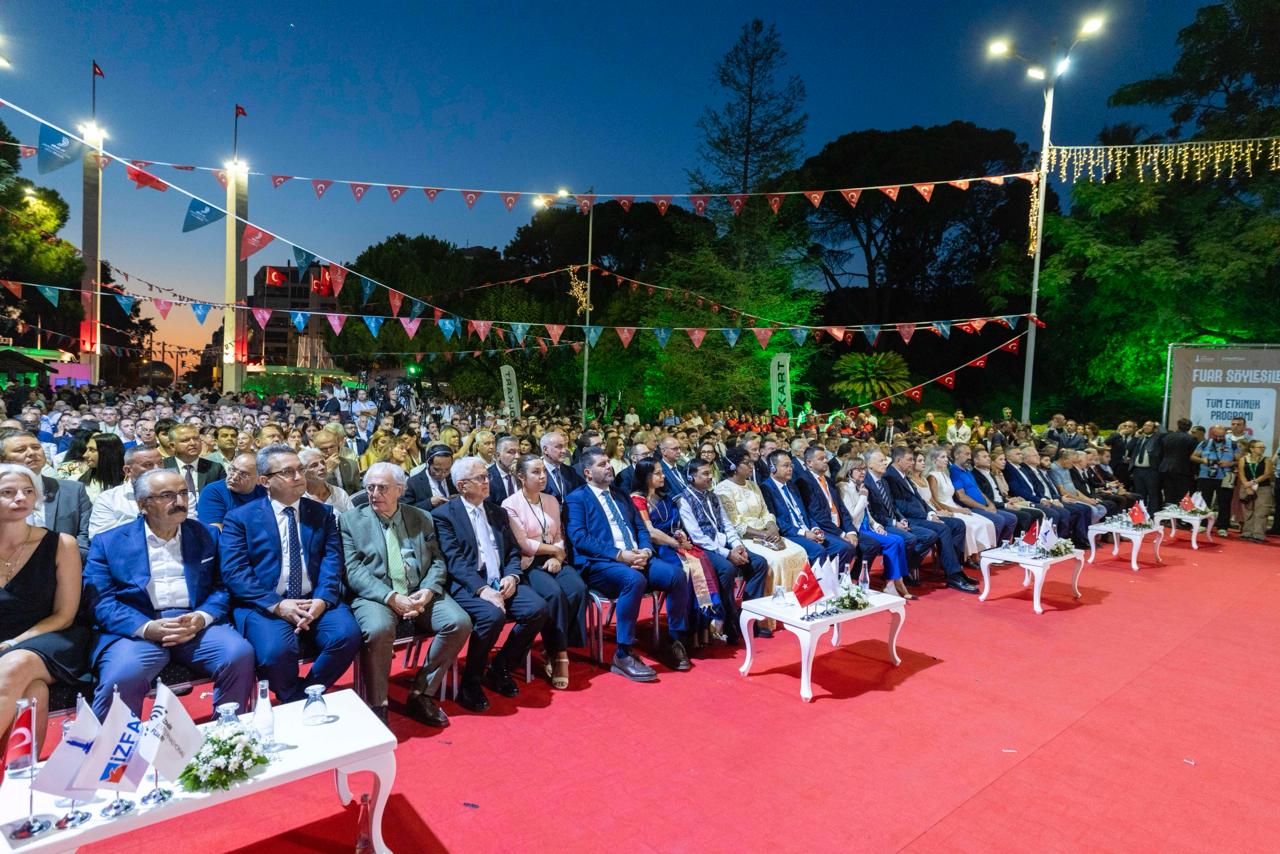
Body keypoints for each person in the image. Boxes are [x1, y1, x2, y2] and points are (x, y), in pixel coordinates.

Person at [82, 469, 256, 719]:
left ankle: (229, 729)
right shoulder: (109, 542)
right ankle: (113, 742)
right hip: (137, 626)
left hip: (194, 623)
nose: (179, 501)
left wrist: (202, 617)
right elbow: (100, 602)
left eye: (183, 493)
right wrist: (146, 628)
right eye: (167, 495)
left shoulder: (207, 534)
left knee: (238, 654)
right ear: (142, 504)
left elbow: (223, 586)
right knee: (122, 676)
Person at [220, 444, 361, 703]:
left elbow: (332, 561)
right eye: (287, 472)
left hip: (314, 598)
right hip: (266, 603)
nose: (298, 477)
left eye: (300, 470)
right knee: (274, 653)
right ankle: (295, 698)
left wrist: (322, 599)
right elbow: (235, 573)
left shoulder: (322, 513)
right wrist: (278, 605)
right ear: (265, 481)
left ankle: (305, 694)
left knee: (347, 636)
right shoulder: (240, 518)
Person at [340, 463, 470, 726]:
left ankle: (422, 693)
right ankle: (378, 703)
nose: (374, 494)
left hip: (418, 590)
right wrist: (391, 598)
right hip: (376, 595)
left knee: (458, 622)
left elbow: (437, 560)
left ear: (400, 490)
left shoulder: (421, 517)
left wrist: (428, 590)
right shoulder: (350, 521)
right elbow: (352, 570)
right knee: (377, 629)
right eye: (370, 488)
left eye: (382, 488)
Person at [433, 456, 549, 711]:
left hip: (501, 578)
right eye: (480, 478)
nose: (487, 482)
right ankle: (470, 682)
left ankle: (500, 667)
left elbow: (512, 551)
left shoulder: (497, 511)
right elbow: (454, 562)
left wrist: (512, 576)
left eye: (487, 476)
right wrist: (482, 589)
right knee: (491, 616)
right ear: (462, 486)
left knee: (537, 609)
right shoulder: (444, 516)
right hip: (469, 583)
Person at [566, 447, 691, 681]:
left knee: (676, 575)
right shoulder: (577, 498)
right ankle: (623, 653)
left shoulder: (621, 495)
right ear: (588, 472)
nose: (609, 467)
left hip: (636, 555)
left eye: (608, 462)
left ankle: (674, 639)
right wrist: (620, 555)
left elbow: (641, 528)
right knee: (633, 580)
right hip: (601, 563)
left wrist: (645, 550)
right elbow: (579, 538)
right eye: (602, 464)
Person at [0, 464, 88, 740]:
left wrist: (13, 643)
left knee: (16, 664)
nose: (21, 498)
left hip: (48, 638)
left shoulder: (62, 544)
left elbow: (64, 615)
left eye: (28, 491)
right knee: (33, 691)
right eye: (8, 492)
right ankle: (23, 766)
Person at [502, 454, 587, 689]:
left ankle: (558, 646)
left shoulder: (551, 500)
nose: (542, 476)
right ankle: (559, 653)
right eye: (536, 472)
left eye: (543, 472)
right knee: (554, 594)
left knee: (578, 589)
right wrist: (555, 552)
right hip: (529, 562)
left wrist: (557, 556)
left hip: (553, 557)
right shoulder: (510, 504)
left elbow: (559, 534)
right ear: (521, 477)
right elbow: (523, 543)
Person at [630, 458, 723, 647]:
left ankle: (700, 628)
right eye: (657, 473)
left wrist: (680, 534)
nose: (663, 476)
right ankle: (681, 633)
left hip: (673, 542)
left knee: (701, 561)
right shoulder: (637, 500)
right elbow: (650, 532)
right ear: (645, 476)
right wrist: (675, 543)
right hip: (656, 548)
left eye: (662, 472)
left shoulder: (664, 497)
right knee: (685, 571)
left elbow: (675, 524)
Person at [677, 458, 769, 645]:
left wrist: (737, 546)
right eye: (705, 473)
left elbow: (727, 525)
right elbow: (697, 537)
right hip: (703, 548)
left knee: (759, 563)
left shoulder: (713, 496)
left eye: (710, 472)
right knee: (727, 569)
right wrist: (727, 553)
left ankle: (749, 615)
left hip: (724, 543)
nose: (710, 477)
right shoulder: (683, 500)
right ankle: (729, 620)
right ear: (691, 477)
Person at [882, 447, 979, 592]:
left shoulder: (902, 475)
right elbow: (898, 506)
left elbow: (920, 500)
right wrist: (925, 515)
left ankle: (954, 568)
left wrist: (931, 514)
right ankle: (953, 575)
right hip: (907, 519)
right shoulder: (890, 476)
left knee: (958, 524)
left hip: (920, 515)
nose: (913, 462)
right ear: (898, 460)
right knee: (943, 529)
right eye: (910, 460)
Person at [714, 446, 809, 590]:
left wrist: (773, 528)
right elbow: (735, 525)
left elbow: (765, 512)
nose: (751, 466)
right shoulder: (723, 489)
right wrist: (764, 535)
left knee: (799, 552)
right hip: (746, 537)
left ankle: (800, 595)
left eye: (751, 463)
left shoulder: (753, 485)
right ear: (733, 466)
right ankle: (775, 597)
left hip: (767, 533)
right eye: (747, 463)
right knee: (777, 560)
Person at [0, 430, 92, 559]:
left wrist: (61, 557)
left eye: (36, 447)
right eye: (21, 450)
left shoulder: (74, 490)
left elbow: (85, 537)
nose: (32, 453)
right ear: (3, 459)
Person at [759, 450, 854, 569]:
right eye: (785, 466)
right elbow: (776, 521)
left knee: (845, 548)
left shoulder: (792, 485)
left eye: (791, 465)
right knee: (818, 551)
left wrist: (815, 528)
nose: (790, 469)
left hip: (808, 529)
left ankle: (835, 578)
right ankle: (818, 580)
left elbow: (806, 512)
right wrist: (804, 533)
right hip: (791, 533)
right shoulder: (765, 488)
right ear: (772, 468)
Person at [834, 457, 913, 598]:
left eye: (864, 469)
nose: (863, 472)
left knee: (899, 540)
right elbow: (851, 515)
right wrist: (863, 497)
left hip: (867, 526)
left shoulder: (860, 485)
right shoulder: (843, 486)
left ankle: (895, 580)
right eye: (858, 469)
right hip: (856, 528)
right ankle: (892, 581)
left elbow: (867, 513)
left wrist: (876, 525)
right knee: (892, 542)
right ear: (849, 470)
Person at [794, 445, 878, 576]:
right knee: (845, 547)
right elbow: (816, 515)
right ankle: (835, 581)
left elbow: (842, 510)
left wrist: (850, 531)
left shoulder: (828, 480)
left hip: (839, 526)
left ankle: (856, 578)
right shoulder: (803, 481)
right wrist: (842, 534)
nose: (826, 460)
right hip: (823, 528)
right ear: (809, 462)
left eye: (825, 458)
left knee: (872, 544)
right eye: (821, 459)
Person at [919, 449, 996, 561]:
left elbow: (951, 498)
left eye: (946, 457)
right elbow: (936, 501)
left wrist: (960, 508)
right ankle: (968, 557)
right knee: (971, 525)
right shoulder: (932, 476)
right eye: (943, 457)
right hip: (945, 509)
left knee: (985, 522)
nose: (946, 460)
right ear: (934, 460)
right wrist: (957, 511)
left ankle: (982, 554)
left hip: (954, 506)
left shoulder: (945, 474)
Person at [89, 445, 165, 537]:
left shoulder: (178, 494)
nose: (157, 469)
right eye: (148, 465)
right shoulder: (108, 499)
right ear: (128, 470)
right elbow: (100, 538)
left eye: (160, 463)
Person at [948, 444, 1018, 543]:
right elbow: (962, 497)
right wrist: (984, 508)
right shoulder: (954, 471)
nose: (970, 457)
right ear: (956, 455)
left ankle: (1001, 545)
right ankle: (991, 549)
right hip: (971, 508)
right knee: (999, 520)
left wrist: (990, 504)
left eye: (970, 454)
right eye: (967, 454)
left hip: (982, 506)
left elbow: (978, 490)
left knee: (1011, 519)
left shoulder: (967, 470)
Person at [163, 424, 226, 518]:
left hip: (208, 517)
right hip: (171, 517)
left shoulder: (215, 468)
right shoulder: (163, 468)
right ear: (172, 446)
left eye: (196, 439)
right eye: (185, 440)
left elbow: (224, 498)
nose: (193, 443)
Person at [196, 452, 268, 528]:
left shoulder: (265, 491)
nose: (234, 477)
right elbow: (215, 531)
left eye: (243, 474)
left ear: (259, 480)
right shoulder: (213, 492)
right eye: (232, 469)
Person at [1192, 426, 1237, 534]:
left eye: (1221, 436)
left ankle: (1222, 527)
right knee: (1203, 501)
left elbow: (1240, 460)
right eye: (1216, 436)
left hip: (1225, 477)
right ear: (1212, 434)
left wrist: (1230, 463)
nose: (1219, 438)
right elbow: (1193, 457)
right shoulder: (1204, 443)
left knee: (1224, 503)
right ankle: (1202, 524)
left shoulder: (1233, 444)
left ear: (1225, 434)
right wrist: (1202, 460)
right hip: (1205, 476)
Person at [1237, 440, 1273, 542]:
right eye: (1259, 447)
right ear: (1252, 449)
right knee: (1247, 511)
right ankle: (1247, 532)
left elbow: (1267, 474)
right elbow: (1241, 473)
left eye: (1263, 447)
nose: (1262, 449)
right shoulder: (1243, 459)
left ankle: (1258, 534)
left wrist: (1253, 482)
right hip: (1246, 488)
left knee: (1261, 512)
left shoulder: (1267, 460)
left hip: (1263, 488)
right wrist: (1247, 486)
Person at [1159, 418, 1199, 507]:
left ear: (1178, 425)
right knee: (1182, 495)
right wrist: (1196, 471)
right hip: (1183, 470)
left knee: (1168, 494)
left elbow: (1161, 453)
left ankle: (1169, 513)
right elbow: (1193, 457)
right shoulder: (1191, 439)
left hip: (1165, 468)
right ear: (1189, 427)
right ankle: (1180, 514)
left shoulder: (1167, 437)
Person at [300, 448, 353, 513]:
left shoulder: (340, 493)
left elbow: (354, 517)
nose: (322, 467)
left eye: (323, 463)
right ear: (303, 472)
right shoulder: (299, 501)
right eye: (314, 465)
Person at [405, 446, 456, 511]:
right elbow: (405, 510)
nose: (443, 474)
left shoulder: (454, 478)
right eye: (437, 470)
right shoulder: (413, 483)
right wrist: (429, 503)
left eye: (447, 469)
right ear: (427, 464)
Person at [78, 432, 126, 502]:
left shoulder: (128, 483)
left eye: (92, 450)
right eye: (87, 449)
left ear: (108, 453)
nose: (85, 455)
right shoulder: (79, 484)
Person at [314, 424, 361, 494]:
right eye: (324, 449)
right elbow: (315, 491)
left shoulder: (351, 465)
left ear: (338, 446)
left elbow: (357, 492)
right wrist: (328, 471)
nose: (329, 451)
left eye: (332, 447)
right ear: (316, 450)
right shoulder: (310, 469)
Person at [540, 431, 584, 503]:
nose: (564, 451)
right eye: (559, 447)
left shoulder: (571, 471)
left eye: (564, 446)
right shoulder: (535, 473)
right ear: (545, 450)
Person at [1129, 421, 1163, 511]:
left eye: (1149, 426)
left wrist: (1159, 426)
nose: (1146, 427)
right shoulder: (1140, 438)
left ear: (1154, 429)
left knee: (1153, 494)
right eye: (1144, 425)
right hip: (1137, 470)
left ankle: (1152, 514)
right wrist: (1135, 437)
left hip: (1151, 470)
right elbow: (1129, 447)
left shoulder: (1157, 438)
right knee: (1139, 494)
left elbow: (1164, 434)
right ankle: (1140, 513)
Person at [486, 435, 521, 506]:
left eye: (519, 452)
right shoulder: (487, 478)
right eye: (511, 452)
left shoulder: (522, 474)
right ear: (498, 456)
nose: (517, 456)